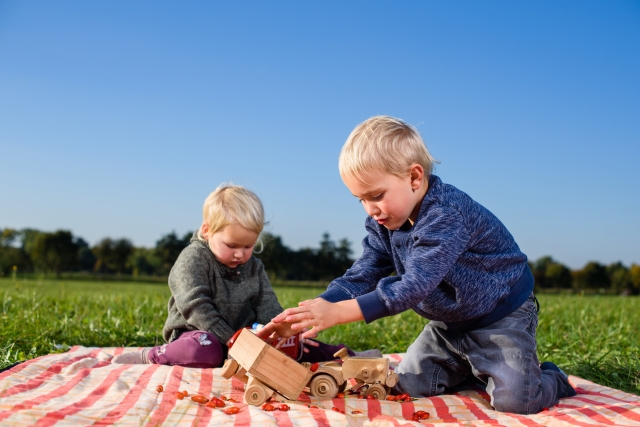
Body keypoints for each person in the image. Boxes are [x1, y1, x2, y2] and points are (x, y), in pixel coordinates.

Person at [259, 116, 576, 414]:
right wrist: (315, 309)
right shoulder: (385, 223)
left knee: (515, 401)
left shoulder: (445, 215)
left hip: (500, 317)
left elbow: (415, 285)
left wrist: (340, 313)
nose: (371, 209)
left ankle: (550, 377)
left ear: (414, 177)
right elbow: (366, 271)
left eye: (377, 195)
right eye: (361, 199)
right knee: (402, 383)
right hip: (448, 326)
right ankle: (471, 369)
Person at [112, 184, 378, 368]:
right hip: (201, 334)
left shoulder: (255, 268)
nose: (240, 254)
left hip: (247, 337)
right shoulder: (192, 259)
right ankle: (156, 354)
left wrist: (283, 333)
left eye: (248, 246)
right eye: (232, 246)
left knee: (298, 349)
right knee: (206, 351)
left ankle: (348, 357)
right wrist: (231, 340)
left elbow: (267, 306)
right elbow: (196, 308)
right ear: (207, 230)